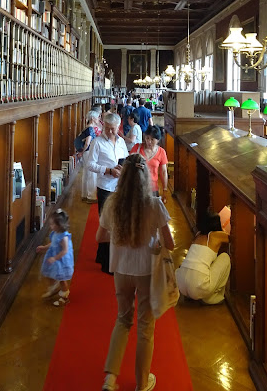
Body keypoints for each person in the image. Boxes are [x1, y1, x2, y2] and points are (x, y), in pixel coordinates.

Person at [97, 154, 174, 391]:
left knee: (122, 320)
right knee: (145, 328)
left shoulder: (112, 203)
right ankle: (142, 383)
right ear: (143, 179)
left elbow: (100, 237)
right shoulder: (154, 204)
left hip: (120, 269)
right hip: (145, 271)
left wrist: (122, 234)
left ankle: (110, 379)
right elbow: (169, 243)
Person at [87, 113, 128, 273]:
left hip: (119, 187)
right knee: (106, 224)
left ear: (118, 127)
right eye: (108, 129)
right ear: (103, 126)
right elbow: (89, 164)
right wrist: (108, 170)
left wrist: (123, 168)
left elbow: (125, 158)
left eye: (114, 129)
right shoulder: (97, 143)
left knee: (117, 223)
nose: (111, 132)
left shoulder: (121, 142)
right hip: (105, 188)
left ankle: (101, 255)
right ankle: (106, 263)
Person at [175, 211, 231, 305]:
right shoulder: (216, 235)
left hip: (181, 284)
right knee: (225, 257)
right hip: (199, 285)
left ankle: (192, 295)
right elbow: (234, 238)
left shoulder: (198, 235)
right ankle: (211, 296)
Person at [36, 209, 74, 306]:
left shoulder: (63, 237)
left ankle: (64, 296)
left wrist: (55, 258)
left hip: (61, 260)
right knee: (49, 273)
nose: (50, 226)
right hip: (54, 256)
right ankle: (54, 288)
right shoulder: (55, 233)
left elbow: (65, 250)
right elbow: (53, 243)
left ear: (60, 225)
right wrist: (44, 247)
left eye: (52, 224)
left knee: (62, 278)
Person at [131, 125, 168, 202]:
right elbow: (128, 164)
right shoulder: (137, 148)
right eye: (147, 138)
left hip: (153, 188)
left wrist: (165, 189)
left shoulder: (161, 152)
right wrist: (134, 165)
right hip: (137, 187)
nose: (149, 142)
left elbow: (163, 172)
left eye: (152, 139)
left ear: (158, 140)